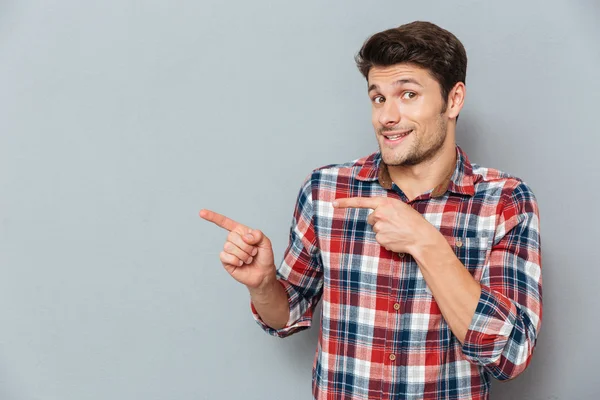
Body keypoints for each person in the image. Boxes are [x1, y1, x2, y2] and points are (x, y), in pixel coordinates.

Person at [200, 20, 542, 400]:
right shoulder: (326, 190)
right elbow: (287, 314)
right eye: (378, 98)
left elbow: (510, 356)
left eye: (408, 95)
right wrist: (263, 285)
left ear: (454, 99)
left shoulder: (504, 201)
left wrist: (426, 243)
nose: (386, 116)